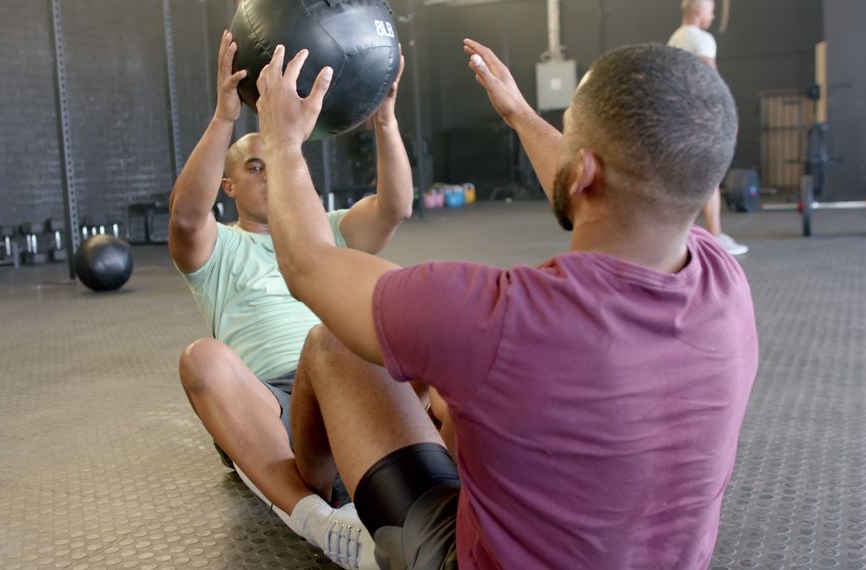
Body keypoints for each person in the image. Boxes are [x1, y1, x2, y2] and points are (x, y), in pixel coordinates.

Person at [254, 38, 759, 569]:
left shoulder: (502, 318)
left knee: (336, 347)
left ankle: (315, 504)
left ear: (582, 171)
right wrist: (519, 115)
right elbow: (598, 185)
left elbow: (309, 266)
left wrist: (282, 143)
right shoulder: (725, 283)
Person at [167, 30, 412, 569]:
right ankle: (319, 521)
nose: (270, 171)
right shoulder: (219, 248)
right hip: (270, 402)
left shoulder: (324, 229)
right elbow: (186, 217)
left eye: (277, 161)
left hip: (345, 379)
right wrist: (224, 116)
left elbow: (395, 207)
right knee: (201, 360)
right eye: (255, 167)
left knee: (414, 322)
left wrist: (386, 120)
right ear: (228, 187)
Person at [668, 0, 749, 256]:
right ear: (698, 10)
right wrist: (728, 117)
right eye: (710, 10)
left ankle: (679, 238)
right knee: (710, 174)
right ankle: (714, 237)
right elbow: (713, 82)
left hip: (676, 118)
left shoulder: (675, 39)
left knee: (682, 178)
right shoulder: (702, 38)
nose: (713, 16)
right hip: (699, 118)